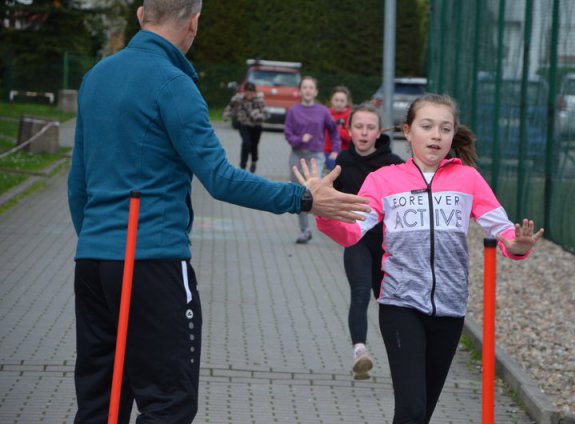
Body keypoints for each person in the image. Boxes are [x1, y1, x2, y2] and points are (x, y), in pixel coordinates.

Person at [67, 1, 369, 422]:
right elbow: (221, 178)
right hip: (152, 263)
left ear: (140, 15)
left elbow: (77, 184)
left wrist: (98, 241)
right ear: (193, 23)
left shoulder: (95, 77)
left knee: (100, 403)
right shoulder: (173, 84)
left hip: (93, 264)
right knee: (168, 402)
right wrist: (303, 199)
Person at [294, 93, 544, 423]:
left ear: (453, 135)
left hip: (450, 309)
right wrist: (322, 211)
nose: (436, 135)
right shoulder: (383, 180)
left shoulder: (468, 179)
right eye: (427, 126)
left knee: (422, 413)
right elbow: (351, 233)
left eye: (445, 128)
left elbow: (504, 232)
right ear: (408, 132)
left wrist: (519, 245)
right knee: (410, 408)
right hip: (400, 305)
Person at [332, 103, 404, 380]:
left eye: (370, 127)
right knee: (360, 292)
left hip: (389, 245)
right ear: (349, 130)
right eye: (358, 126)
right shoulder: (342, 162)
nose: (363, 132)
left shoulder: (394, 164)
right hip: (357, 240)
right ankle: (360, 352)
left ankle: (401, 359)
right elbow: (330, 201)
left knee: (389, 303)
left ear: (379, 132)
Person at [285, 76, 341, 244]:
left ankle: (329, 225)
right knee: (299, 193)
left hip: (315, 156)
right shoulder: (293, 111)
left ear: (315, 92)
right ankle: (305, 230)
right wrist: (300, 139)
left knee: (314, 189)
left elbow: (333, 131)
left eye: (311, 87)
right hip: (297, 155)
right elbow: (288, 134)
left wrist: (335, 150)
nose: (308, 90)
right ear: (300, 91)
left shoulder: (323, 111)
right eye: (305, 87)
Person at [223, 81, 268, 173]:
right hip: (243, 124)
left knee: (254, 145)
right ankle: (243, 165)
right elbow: (230, 106)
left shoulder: (259, 100)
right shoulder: (239, 99)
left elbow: (266, 114)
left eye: (252, 91)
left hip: (256, 126)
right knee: (246, 143)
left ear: (255, 92)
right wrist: (226, 116)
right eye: (247, 91)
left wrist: (257, 115)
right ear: (244, 91)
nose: (249, 94)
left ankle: (254, 161)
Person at [323, 85, 352, 172]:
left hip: (342, 153)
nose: (339, 103)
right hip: (324, 151)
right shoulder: (326, 113)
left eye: (342, 101)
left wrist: (338, 129)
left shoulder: (350, 115)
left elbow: (350, 137)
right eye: (336, 100)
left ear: (347, 102)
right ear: (331, 100)